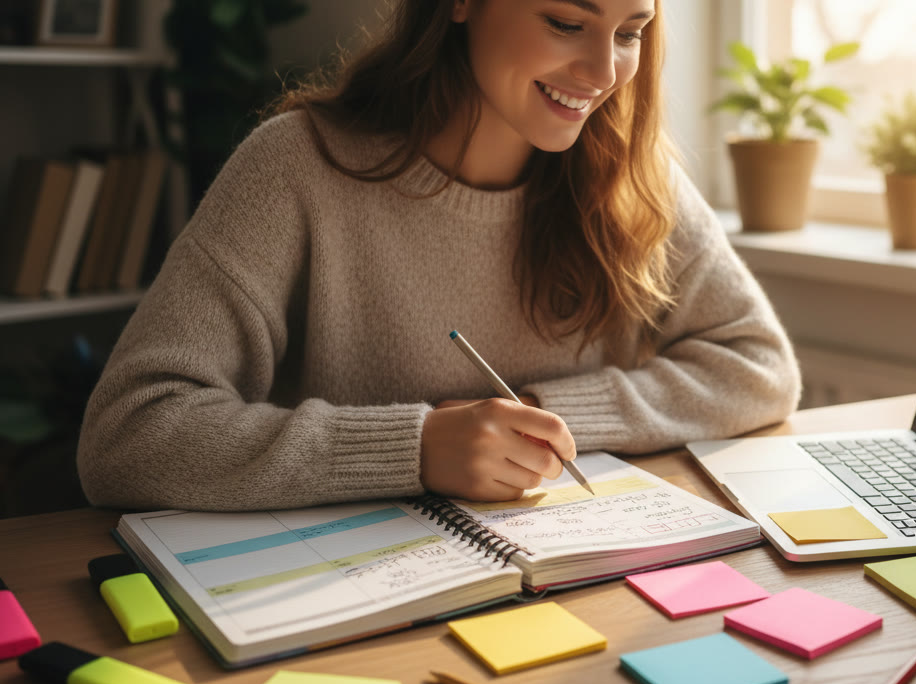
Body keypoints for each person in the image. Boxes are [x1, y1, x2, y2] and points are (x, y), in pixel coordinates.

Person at [77, 0, 801, 511]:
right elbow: (130, 433)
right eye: (566, 23)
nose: (604, 72)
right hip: (352, 604)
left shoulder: (631, 177)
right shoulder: (296, 168)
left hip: (572, 591)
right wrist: (415, 446)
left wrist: (540, 416)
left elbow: (761, 368)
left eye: (630, 32)